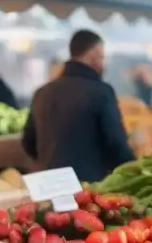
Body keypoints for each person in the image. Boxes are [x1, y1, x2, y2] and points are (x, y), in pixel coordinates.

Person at [21, 30, 135, 182]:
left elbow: (28, 141)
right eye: (102, 57)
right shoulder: (101, 92)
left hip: (49, 185)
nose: (103, 63)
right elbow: (116, 143)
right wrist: (134, 169)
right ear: (93, 54)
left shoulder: (42, 92)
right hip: (88, 191)